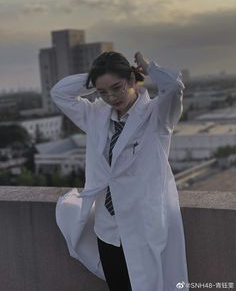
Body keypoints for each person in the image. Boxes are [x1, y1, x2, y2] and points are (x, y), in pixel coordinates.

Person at [51, 51, 189, 291]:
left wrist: (149, 67)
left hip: (142, 223)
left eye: (117, 87)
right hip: (107, 228)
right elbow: (59, 93)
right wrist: (95, 78)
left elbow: (174, 86)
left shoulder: (156, 115)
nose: (111, 97)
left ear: (133, 80)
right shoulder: (95, 114)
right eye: (103, 92)